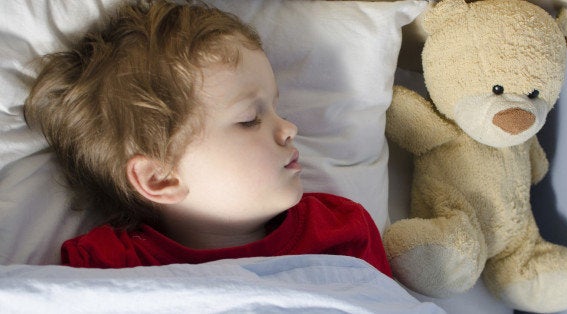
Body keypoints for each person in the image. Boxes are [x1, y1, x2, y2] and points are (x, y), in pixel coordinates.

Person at [24, 0, 391, 276]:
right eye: (250, 119)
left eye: (276, 107)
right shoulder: (107, 265)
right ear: (160, 177)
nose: (289, 128)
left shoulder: (340, 230)